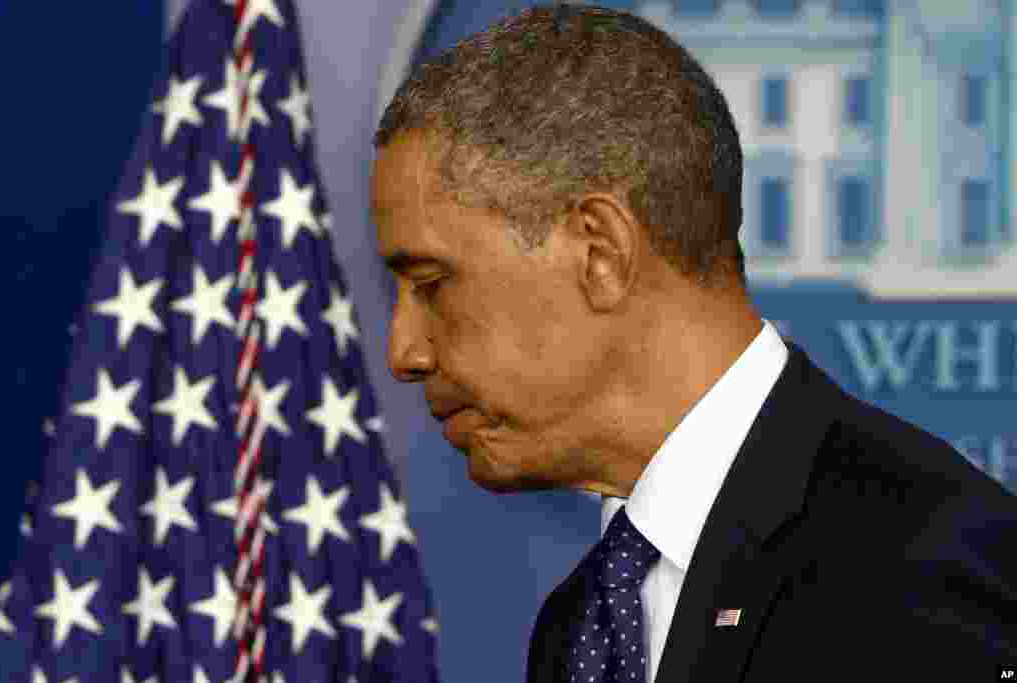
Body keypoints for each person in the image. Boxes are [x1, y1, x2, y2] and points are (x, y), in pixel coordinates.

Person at [367, 4, 1017, 681]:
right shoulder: (579, 626)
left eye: (432, 282)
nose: (404, 351)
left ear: (600, 253)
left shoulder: (922, 576)